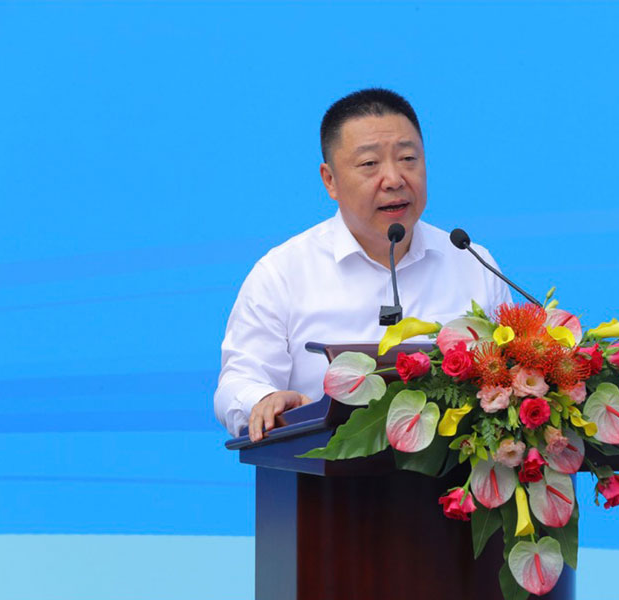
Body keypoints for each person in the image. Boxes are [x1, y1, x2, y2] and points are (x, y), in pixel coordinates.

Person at [214, 88, 512, 441]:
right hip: (322, 472)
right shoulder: (283, 273)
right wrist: (264, 399)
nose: (394, 179)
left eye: (408, 158)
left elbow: (511, 373)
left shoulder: (471, 261)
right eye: (370, 164)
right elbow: (238, 381)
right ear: (330, 180)